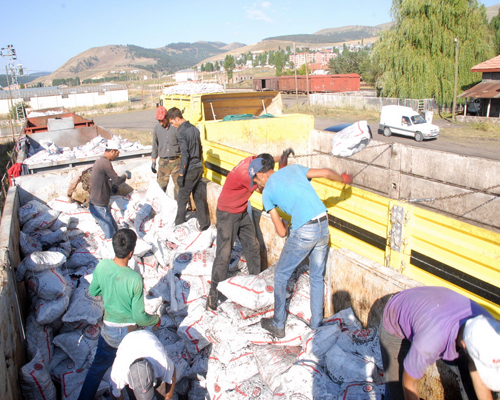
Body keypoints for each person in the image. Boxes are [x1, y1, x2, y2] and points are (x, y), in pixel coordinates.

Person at [252, 161, 352, 338]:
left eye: (256, 182)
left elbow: (282, 233)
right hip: (323, 224)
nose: (257, 186)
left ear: (260, 175)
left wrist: (282, 220)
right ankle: (316, 325)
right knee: (316, 276)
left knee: (281, 275)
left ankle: (278, 324)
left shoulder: (267, 192)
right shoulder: (292, 169)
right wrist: (343, 179)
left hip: (305, 230)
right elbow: (327, 172)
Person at [206, 149, 295, 311]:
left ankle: (257, 283)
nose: (261, 179)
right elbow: (269, 183)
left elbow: (266, 163)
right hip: (227, 213)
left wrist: (281, 157)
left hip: (241, 210)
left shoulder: (254, 161)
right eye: (262, 177)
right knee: (224, 254)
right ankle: (213, 292)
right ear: (259, 175)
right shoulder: (246, 175)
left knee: (253, 246)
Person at [78, 229, 160, 400]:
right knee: (133, 374)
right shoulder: (134, 279)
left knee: (96, 370)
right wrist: (155, 319)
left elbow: (93, 290)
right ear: (131, 253)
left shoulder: (102, 266)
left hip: (109, 331)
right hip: (128, 333)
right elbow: (139, 317)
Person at [379, 286, 500, 400]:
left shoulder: (490, 329)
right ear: (464, 345)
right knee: (397, 391)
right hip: (397, 315)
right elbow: (409, 383)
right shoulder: (430, 341)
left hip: (433, 311)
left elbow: (476, 368)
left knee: (469, 381)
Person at [166, 107, 209, 230]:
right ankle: (204, 223)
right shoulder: (195, 129)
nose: (173, 125)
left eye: (172, 122)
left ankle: (179, 224)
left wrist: (181, 174)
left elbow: (185, 155)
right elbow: (199, 149)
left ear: (177, 119)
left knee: (182, 198)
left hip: (189, 169)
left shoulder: (181, 132)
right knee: (197, 197)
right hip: (198, 167)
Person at [109, 330, 176, 400]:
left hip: (146, 337)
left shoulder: (161, 362)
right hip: (129, 340)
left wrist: (168, 396)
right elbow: (116, 395)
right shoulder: (118, 374)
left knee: (162, 391)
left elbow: (172, 373)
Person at [89, 140, 131, 239]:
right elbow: (116, 180)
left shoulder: (100, 160)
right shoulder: (105, 162)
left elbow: (105, 179)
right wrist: (125, 175)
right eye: (117, 153)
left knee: (115, 229)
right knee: (110, 235)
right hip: (99, 205)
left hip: (99, 203)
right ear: (112, 151)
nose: (117, 156)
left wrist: (112, 187)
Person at [151, 106, 181, 198]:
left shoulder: (175, 127)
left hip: (176, 162)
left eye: (162, 120)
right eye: (159, 121)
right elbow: (155, 145)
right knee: (160, 187)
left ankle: (180, 208)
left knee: (179, 186)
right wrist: (153, 161)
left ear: (167, 117)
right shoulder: (157, 129)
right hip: (163, 162)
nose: (161, 123)